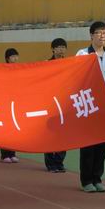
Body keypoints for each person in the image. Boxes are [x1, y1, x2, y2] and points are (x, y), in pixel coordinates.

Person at [76, 22, 105, 193]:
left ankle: (97, 178)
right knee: (88, 145)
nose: (102, 36)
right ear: (91, 35)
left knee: (103, 146)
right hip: (88, 106)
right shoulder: (82, 54)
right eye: (98, 33)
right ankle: (86, 180)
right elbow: (76, 79)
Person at [44, 38, 68, 173]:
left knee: (62, 135)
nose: (61, 50)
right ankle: (50, 163)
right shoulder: (47, 64)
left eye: (63, 47)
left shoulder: (69, 63)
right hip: (50, 104)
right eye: (58, 47)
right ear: (53, 49)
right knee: (48, 135)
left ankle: (59, 162)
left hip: (64, 104)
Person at [0, 48, 19, 163]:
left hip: (15, 103)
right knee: (5, 130)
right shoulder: (3, 69)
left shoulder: (19, 69)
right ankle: (5, 154)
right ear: (7, 58)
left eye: (16, 56)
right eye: (13, 56)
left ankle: (12, 153)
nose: (15, 58)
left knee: (14, 129)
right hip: (5, 103)